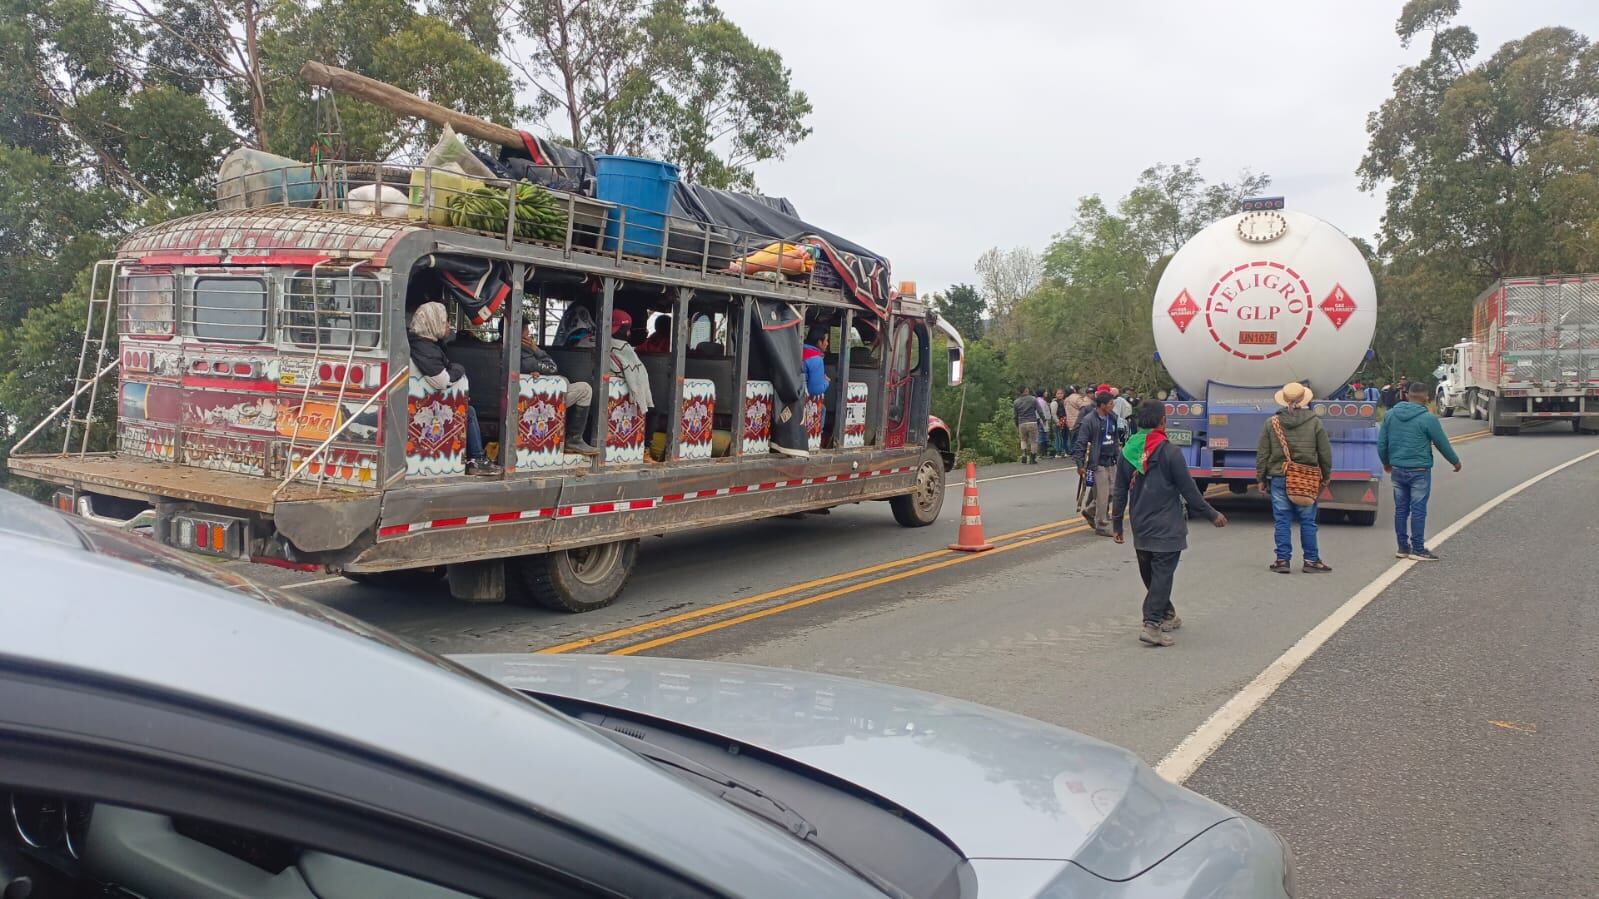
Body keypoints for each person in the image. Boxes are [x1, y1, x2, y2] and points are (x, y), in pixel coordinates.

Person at [1113, 401, 1227, 647]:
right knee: (1162, 575)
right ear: (1162, 422)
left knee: (1151, 574)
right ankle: (1152, 624)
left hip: (1141, 525)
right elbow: (1190, 491)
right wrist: (1212, 514)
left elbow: (1120, 490)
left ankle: (1168, 614)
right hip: (1167, 526)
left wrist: (1116, 524)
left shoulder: (1127, 452)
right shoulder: (1169, 452)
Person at [407, 302, 501, 476]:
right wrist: (459, 369)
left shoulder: (420, 343)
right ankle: (477, 459)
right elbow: (442, 381)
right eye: (444, 322)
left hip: (422, 402)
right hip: (427, 406)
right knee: (469, 411)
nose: (448, 326)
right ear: (432, 322)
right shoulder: (425, 348)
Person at [1378, 380, 1462, 561]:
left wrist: (1386, 462)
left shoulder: (1391, 415)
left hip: (1398, 469)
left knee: (1401, 509)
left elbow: (1382, 443)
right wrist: (1455, 462)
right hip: (1419, 470)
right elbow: (1441, 443)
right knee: (1418, 510)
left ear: (1407, 395)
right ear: (1426, 397)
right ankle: (1417, 548)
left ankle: (1402, 547)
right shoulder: (1428, 418)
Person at [1256, 382, 1334, 573]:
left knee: (1282, 520)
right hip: (1305, 478)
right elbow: (1324, 452)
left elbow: (1263, 453)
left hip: (1279, 475)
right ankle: (1311, 560)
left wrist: (1260, 478)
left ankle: (1282, 560)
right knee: (1308, 521)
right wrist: (1325, 475)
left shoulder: (1271, 423)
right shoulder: (1315, 422)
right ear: (1304, 399)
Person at [519, 327, 598, 456]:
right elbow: (552, 367)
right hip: (542, 400)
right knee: (585, 390)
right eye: (526, 330)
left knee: (577, 386)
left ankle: (573, 439)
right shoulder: (524, 356)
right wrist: (536, 349)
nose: (529, 334)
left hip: (543, 395)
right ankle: (573, 439)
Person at [1075, 391, 1120, 535]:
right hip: (1097, 462)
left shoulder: (1113, 418)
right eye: (1110, 404)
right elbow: (1081, 443)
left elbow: (1117, 438)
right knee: (1102, 495)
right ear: (1102, 405)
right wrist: (1080, 464)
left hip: (1111, 459)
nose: (1113, 406)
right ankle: (1101, 525)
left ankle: (1090, 511)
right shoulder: (1089, 420)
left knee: (1114, 491)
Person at [1013, 386, 1041, 465]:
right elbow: (1039, 410)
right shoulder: (1033, 399)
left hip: (1021, 423)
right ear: (1026, 390)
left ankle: (1024, 454)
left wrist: (1016, 423)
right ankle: (1032, 458)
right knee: (1033, 440)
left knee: (1023, 440)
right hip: (1032, 421)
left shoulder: (1016, 402)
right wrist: (1044, 419)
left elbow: (1015, 415)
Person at [1064, 386, 1092, 457]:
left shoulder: (1066, 400)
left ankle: (1074, 453)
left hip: (1070, 422)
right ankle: (1078, 454)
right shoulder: (1076, 397)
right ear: (1074, 390)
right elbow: (1084, 406)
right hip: (1078, 421)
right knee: (1079, 439)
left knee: (1073, 439)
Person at [1034, 388, 1053, 458]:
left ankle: (1043, 454)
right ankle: (1043, 454)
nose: (1046, 393)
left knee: (1043, 437)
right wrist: (1044, 421)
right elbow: (1042, 412)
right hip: (1042, 421)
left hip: (1041, 421)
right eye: (1045, 392)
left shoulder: (1039, 400)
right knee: (1043, 437)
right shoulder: (1041, 401)